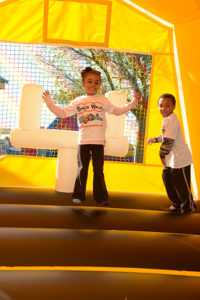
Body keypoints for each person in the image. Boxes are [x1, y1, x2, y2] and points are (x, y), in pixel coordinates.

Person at [42, 66, 140, 206]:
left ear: (99, 85)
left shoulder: (102, 99)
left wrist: (133, 102)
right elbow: (62, 113)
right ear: (83, 84)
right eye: (90, 81)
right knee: (82, 169)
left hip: (99, 142)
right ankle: (78, 195)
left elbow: (117, 111)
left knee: (98, 170)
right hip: (83, 142)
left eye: (96, 82)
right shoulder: (78, 101)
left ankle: (101, 197)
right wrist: (49, 103)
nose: (93, 85)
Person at [147, 93, 196, 214]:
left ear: (173, 106)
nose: (163, 108)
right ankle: (177, 202)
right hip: (172, 158)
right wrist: (156, 139)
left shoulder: (172, 119)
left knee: (181, 185)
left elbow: (169, 141)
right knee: (166, 177)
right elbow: (166, 135)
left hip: (180, 159)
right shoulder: (166, 119)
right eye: (161, 105)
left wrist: (162, 155)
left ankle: (188, 208)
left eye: (167, 106)